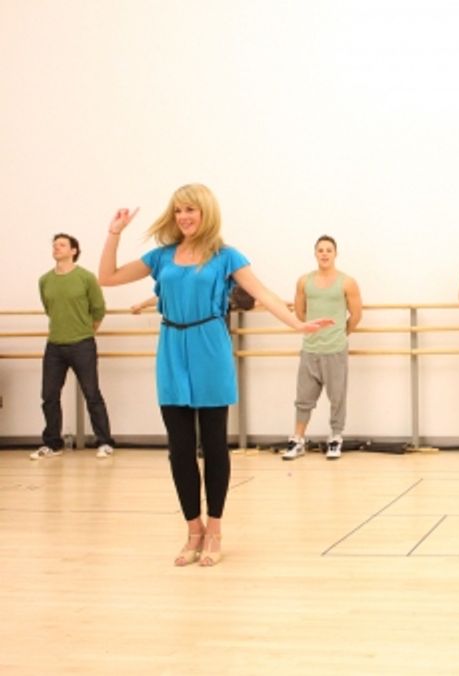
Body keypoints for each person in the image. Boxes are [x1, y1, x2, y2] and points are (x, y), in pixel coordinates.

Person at [99, 184, 329, 568]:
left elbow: (264, 293)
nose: (184, 217)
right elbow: (108, 277)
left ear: (206, 213)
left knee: (214, 445)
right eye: (178, 210)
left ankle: (216, 529)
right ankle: (193, 529)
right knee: (180, 449)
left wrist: (297, 325)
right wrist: (114, 233)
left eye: (191, 210)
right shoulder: (162, 256)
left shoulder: (226, 256)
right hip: (172, 348)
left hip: (210, 348)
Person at [31, 233, 116, 460]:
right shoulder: (45, 280)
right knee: (49, 395)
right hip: (54, 346)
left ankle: (105, 442)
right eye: (54, 244)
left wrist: (87, 332)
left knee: (92, 394)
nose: (56, 248)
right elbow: (50, 308)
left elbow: (98, 309)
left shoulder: (86, 278)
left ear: (73, 251)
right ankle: (52, 444)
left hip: (82, 345)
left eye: (61, 245)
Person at [283, 235, 362, 461]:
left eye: (329, 250)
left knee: (337, 397)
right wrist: (312, 330)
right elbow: (300, 312)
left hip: (335, 350)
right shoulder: (304, 281)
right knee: (303, 398)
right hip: (310, 349)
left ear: (335, 254)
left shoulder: (347, 282)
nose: (325, 254)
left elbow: (356, 315)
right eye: (320, 250)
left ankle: (336, 438)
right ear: (315, 254)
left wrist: (341, 333)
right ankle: (298, 440)